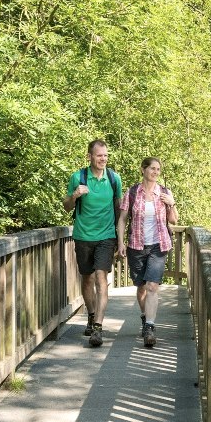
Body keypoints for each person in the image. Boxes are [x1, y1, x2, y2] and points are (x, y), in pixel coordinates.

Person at [63, 140, 123, 347]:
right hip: (83, 236)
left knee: (101, 277)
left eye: (105, 155)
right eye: (99, 155)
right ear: (89, 156)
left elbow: (119, 209)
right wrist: (74, 195)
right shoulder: (77, 177)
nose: (103, 159)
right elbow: (66, 207)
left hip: (106, 236)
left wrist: (120, 239)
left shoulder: (114, 179)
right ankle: (90, 315)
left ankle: (98, 326)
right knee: (87, 279)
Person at [116, 157, 178, 348]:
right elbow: (123, 219)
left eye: (158, 169)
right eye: (152, 168)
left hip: (159, 245)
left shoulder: (165, 193)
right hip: (136, 245)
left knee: (152, 286)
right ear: (143, 170)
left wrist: (172, 203)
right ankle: (145, 317)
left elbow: (174, 221)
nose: (155, 172)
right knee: (141, 286)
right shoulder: (132, 192)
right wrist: (121, 243)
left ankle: (150, 327)